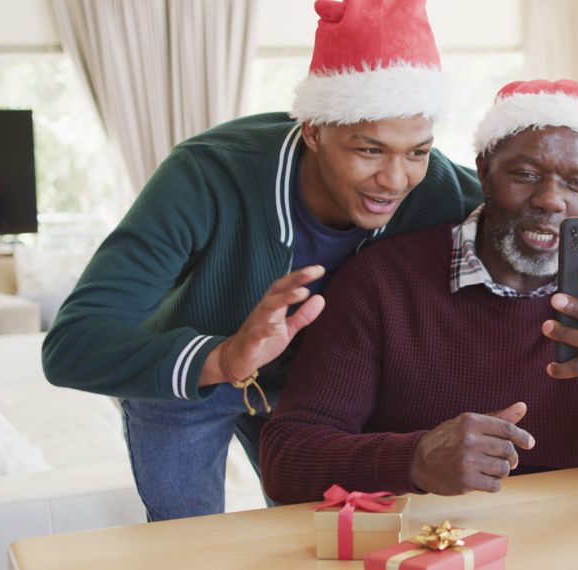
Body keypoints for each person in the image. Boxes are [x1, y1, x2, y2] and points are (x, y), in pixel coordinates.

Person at [42, 0, 481, 521]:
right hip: (190, 380)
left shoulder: (440, 192)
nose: (394, 179)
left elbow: (531, 228)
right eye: (368, 150)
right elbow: (71, 345)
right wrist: (226, 357)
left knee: (325, 538)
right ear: (314, 130)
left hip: (312, 395)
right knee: (189, 545)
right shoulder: (205, 174)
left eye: (416, 151)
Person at [259, 78, 578, 505]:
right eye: (526, 175)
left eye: (575, 183)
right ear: (484, 170)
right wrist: (415, 459)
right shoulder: (381, 282)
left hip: (565, 543)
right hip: (412, 544)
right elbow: (287, 458)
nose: (551, 200)